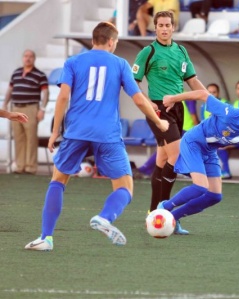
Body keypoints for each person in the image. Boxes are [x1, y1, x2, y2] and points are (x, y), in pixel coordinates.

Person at [24, 21, 169, 251]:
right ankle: (105, 217)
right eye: (116, 42)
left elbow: (62, 98)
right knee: (125, 187)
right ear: (111, 41)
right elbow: (139, 98)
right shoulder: (120, 64)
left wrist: (54, 132)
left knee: (58, 181)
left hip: (75, 132)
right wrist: (159, 121)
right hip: (107, 134)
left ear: (94, 40)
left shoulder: (73, 62)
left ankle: (46, 238)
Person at [159, 90, 239, 234]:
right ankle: (164, 207)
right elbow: (203, 94)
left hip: (210, 150)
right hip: (193, 142)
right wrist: (173, 98)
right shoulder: (229, 113)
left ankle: (173, 218)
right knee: (200, 187)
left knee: (215, 196)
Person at [132, 11, 206, 225]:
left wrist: (209, 98)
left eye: (168, 25)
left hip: (178, 109)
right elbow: (132, 82)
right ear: (155, 28)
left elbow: (192, 80)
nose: (164, 28)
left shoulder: (182, 51)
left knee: (163, 159)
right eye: (160, 25)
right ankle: (166, 213)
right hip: (159, 111)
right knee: (176, 155)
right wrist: (149, 103)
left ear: (173, 27)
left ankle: (153, 212)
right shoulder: (148, 51)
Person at [2, 49, 49, 175]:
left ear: (34, 59)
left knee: (31, 138)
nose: (28, 58)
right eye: (26, 56)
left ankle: (30, 167)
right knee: (19, 138)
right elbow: (10, 90)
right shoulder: (16, 73)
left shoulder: (39, 75)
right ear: (22, 58)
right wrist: (5, 104)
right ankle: (20, 166)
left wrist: (42, 109)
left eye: (30, 56)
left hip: (31, 108)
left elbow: (46, 93)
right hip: (15, 107)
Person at [199, 83, 233, 179]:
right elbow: (203, 123)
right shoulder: (203, 106)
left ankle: (226, 171)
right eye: (210, 92)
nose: (212, 95)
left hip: (226, 134)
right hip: (211, 135)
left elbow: (229, 122)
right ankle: (203, 171)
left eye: (214, 92)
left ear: (218, 93)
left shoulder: (225, 104)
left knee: (219, 145)